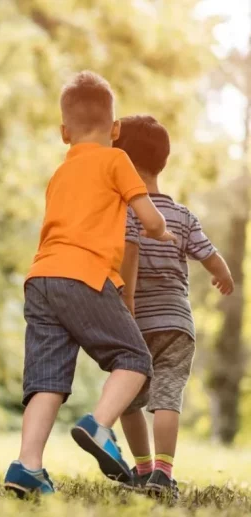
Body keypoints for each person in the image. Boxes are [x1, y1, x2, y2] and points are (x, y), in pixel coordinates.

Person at [3, 71, 176, 497]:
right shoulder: (116, 160)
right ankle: (99, 425)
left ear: (65, 133)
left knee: (46, 380)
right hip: (84, 275)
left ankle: (27, 467)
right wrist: (162, 232)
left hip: (41, 278)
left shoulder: (60, 173)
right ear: (115, 131)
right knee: (135, 360)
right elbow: (148, 214)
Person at [115, 115, 234, 498]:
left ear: (122, 162)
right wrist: (225, 276)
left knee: (127, 401)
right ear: (161, 161)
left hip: (134, 322)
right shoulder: (181, 215)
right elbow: (210, 255)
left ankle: (143, 469)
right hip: (177, 324)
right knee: (168, 396)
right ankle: (163, 474)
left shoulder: (123, 212)